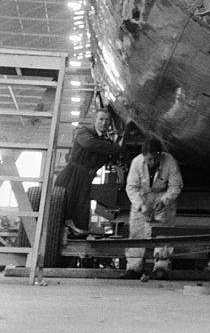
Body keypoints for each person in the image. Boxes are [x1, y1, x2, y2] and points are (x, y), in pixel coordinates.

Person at [53, 106, 121, 235]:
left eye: (107, 120)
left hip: (87, 178)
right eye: (101, 119)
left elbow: (113, 154)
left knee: (81, 211)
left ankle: (76, 237)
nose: (104, 123)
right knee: (63, 207)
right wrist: (115, 147)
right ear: (94, 120)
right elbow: (90, 144)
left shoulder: (105, 141)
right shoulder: (83, 132)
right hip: (71, 175)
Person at [123, 137, 183, 280]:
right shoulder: (137, 163)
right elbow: (131, 187)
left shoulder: (170, 162)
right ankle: (133, 267)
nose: (151, 163)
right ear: (144, 157)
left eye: (154, 159)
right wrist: (140, 205)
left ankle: (161, 267)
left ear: (160, 155)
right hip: (142, 198)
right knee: (137, 232)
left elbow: (176, 186)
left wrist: (164, 201)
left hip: (163, 198)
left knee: (163, 233)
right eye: (148, 160)